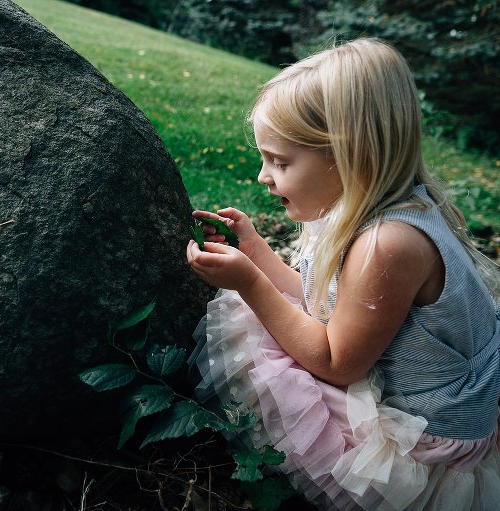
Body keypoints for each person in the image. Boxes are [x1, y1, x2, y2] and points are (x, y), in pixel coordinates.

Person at [186, 38, 500, 510]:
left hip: (424, 445)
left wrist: (249, 283)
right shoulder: (364, 209)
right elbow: (322, 303)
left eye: (280, 161)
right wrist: (256, 252)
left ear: (349, 154)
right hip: (412, 392)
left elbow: (336, 363)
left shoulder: (388, 243)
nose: (262, 177)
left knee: (253, 342)